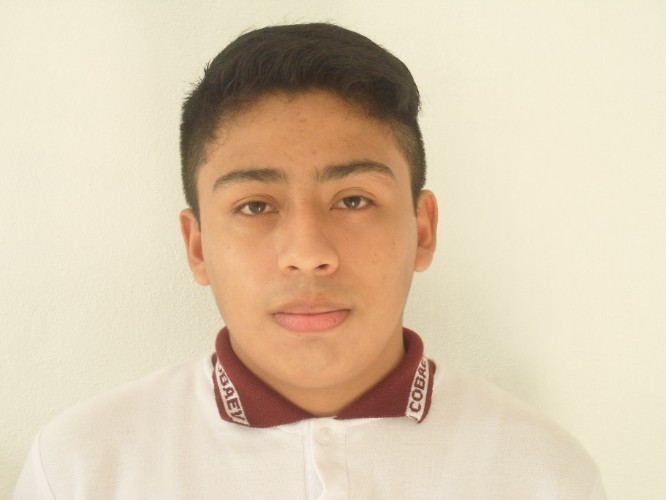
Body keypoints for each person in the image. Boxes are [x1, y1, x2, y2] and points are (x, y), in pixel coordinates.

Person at [14, 23, 605, 499]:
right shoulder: (79, 469)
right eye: (254, 206)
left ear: (422, 230)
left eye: (353, 200)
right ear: (197, 247)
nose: (308, 254)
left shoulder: (543, 474)